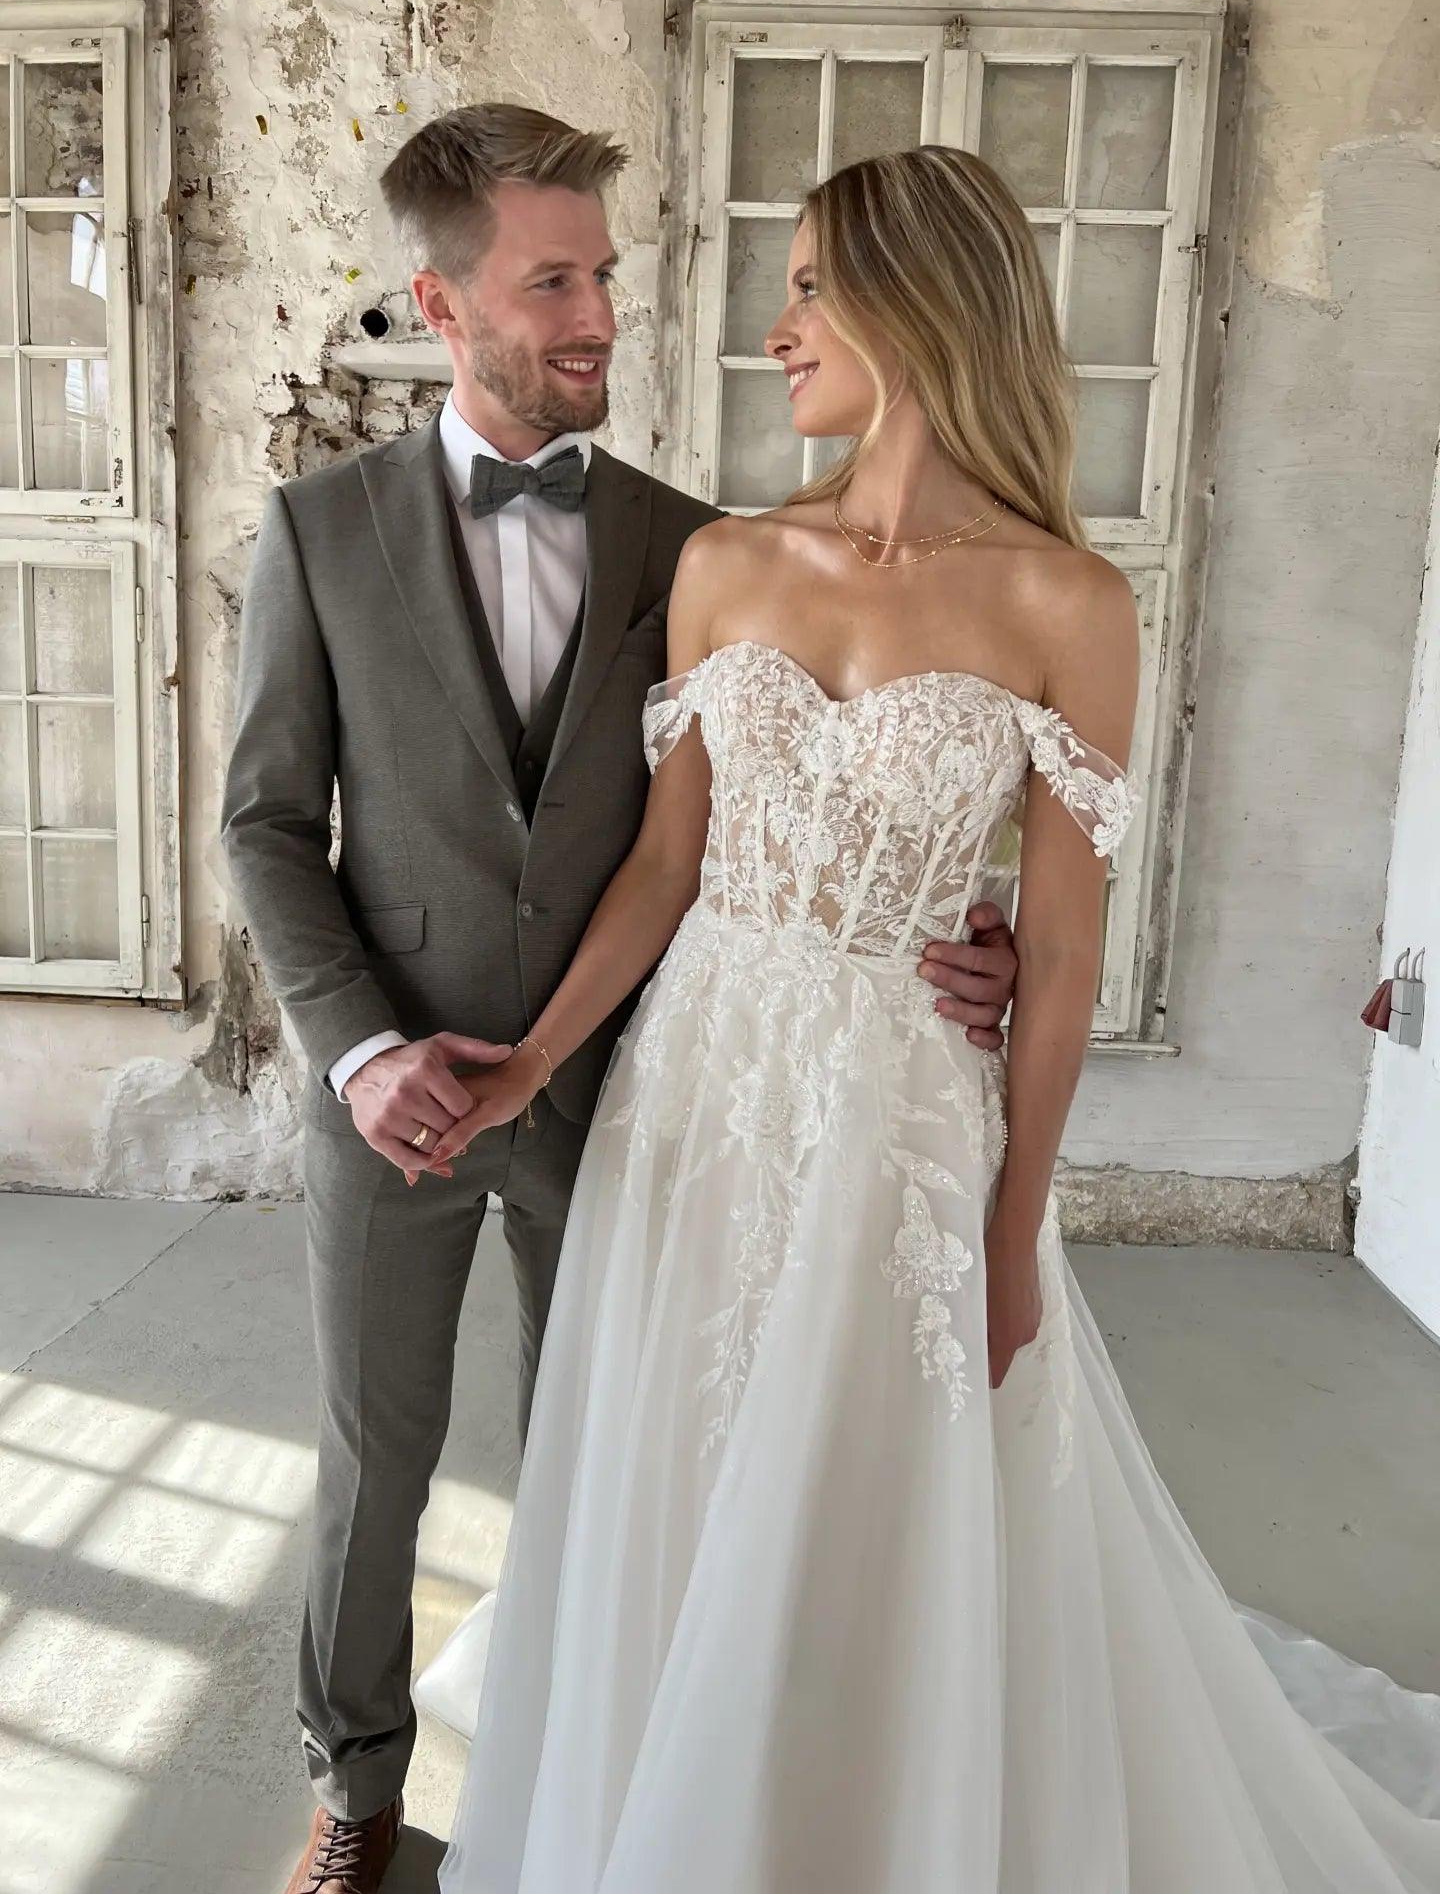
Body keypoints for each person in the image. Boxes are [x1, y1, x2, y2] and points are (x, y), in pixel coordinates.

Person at [425, 145, 1440, 1892]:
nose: (776, 330)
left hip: (896, 1116)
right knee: (689, 1457)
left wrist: (1017, 1227)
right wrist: (533, 1059)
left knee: (869, 1491)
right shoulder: (729, 562)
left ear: (920, 302)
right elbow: (668, 865)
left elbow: (1062, 957)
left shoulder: (1069, 603)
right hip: (699, 1089)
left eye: (812, 287)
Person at [219, 105, 1016, 1894]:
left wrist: (978, 927)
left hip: (641, 1087)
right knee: (373, 1464)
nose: (600, 316)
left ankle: (607, 1772)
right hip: (399, 1091)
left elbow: (822, 794)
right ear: (442, 303)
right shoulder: (319, 531)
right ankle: (356, 1790)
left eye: (605, 274)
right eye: (552, 283)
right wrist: (359, 1053)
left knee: (629, 1452)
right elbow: (263, 826)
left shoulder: (698, 541)